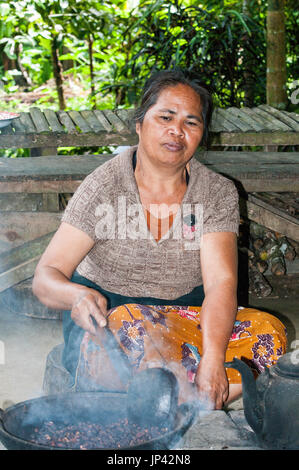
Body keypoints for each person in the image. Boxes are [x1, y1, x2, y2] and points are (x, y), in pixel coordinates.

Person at [32, 69, 287, 410]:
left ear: (201, 135)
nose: (177, 131)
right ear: (140, 124)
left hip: (186, 320)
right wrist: (76, 296)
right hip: (115, 320)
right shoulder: (104, 187)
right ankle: (177, 396)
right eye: (165, 116)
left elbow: (221, 285)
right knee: (126, 331)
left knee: (270, 333)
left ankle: (171, 394)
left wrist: (212, 359)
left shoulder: (216, 192)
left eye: (191, 123)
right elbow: (46, 275)